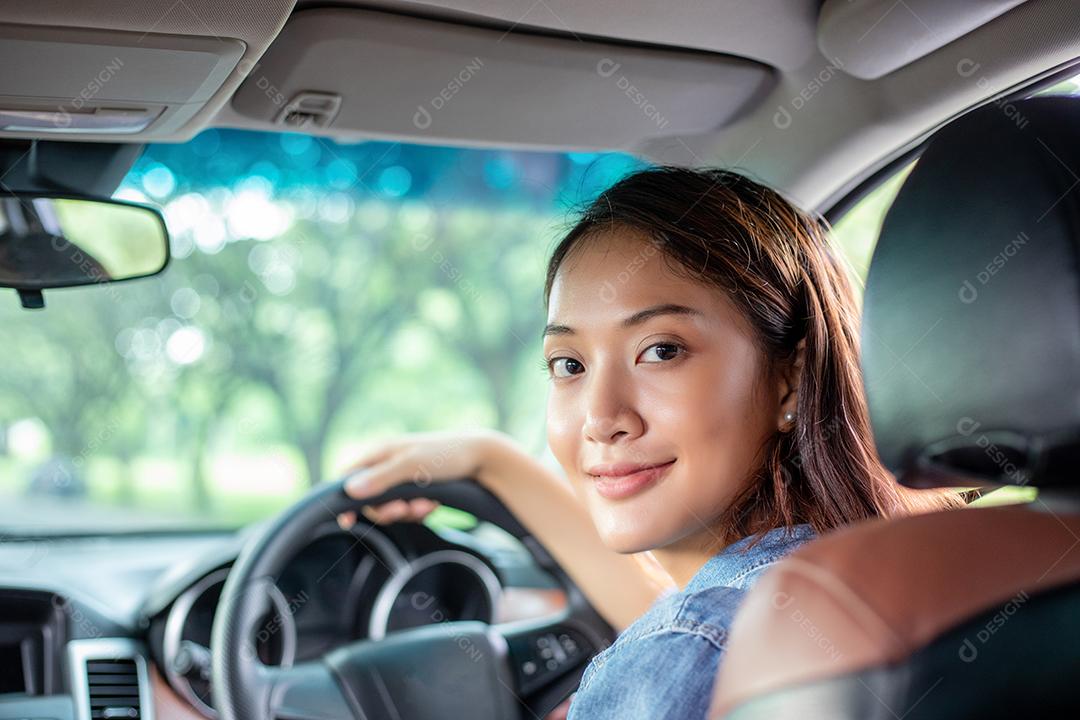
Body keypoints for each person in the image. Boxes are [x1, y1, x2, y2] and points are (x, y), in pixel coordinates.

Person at [338, 167, 960, 718]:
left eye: (661, 351)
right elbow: (681, 616)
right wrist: (489, 461)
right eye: (568, 365)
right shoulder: (897, 567)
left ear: (788, 379)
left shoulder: (688, 648)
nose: (601, 418)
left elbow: (688, 641)